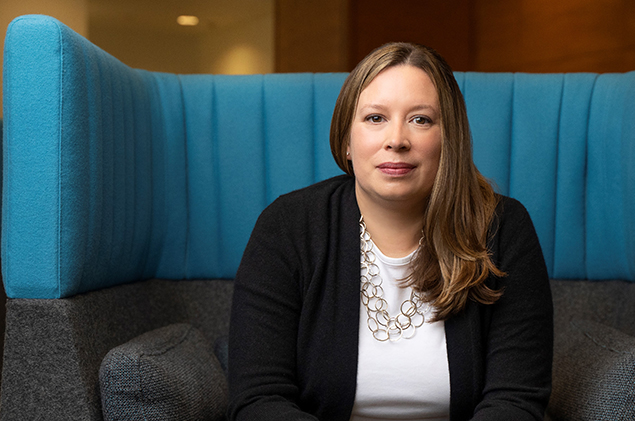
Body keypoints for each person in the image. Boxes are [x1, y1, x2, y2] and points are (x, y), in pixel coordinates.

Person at [228, 42, 553, 421]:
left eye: (421, 120)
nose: (396, 139)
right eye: (375, 118)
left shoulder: (502, 228)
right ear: (347, 140)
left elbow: (516, 400)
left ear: (449, 138)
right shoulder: (288, 226)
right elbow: (258, 400)